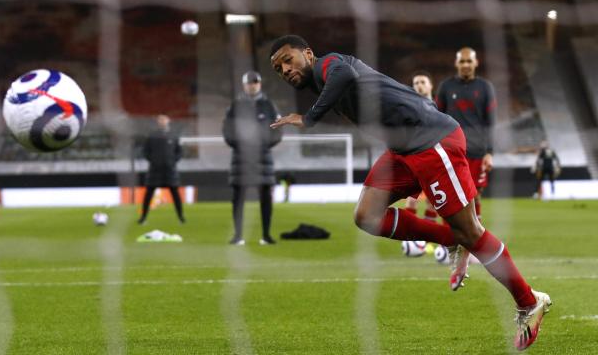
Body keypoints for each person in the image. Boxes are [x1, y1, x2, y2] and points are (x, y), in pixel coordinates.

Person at [269, 35, 550, 351]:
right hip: (402, 150)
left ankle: (529, 302)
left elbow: (344, 74)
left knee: (471, 231)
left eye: (287, 59)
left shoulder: (328, 65)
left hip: (432, 142)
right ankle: (451, 241)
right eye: (278, 69)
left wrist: (308, 119)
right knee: (367, 215)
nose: (284, 69)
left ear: (307, 53)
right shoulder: (324, 81)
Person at [435, 47, 497, 285]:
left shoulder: (485, 88)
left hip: (476, 152)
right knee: (449, 199)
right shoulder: (446, 87)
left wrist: (490, 153)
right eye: (462, 61)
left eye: (469, 61)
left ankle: (472, 247)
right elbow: (436, 116)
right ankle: (450, 245)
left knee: (474, 197)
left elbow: (490, 124)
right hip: (450, 151)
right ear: (456, 63)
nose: (465, 65)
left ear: (476, 62)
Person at [223, 70, 283, 245]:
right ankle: (238, 235)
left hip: (263, 158)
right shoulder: (235, 105)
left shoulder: (269, 105)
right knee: (238, 198)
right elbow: (227, 129)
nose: (252, 85)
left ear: (259, 84)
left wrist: (264, 145)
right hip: (240, 159)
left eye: (255, 82)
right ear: (244, 85)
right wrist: (239, 146)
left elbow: (278, 129)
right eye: (249, 83)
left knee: (266, 197)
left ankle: (266, 235)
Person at [138, 114, 185, 225]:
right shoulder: (152, 136)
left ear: (168, 121)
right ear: (157, 122)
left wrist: (172, 161)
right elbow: (145, 151)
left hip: (170, 170)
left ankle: (181, 217)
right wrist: (153, 161)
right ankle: (143, 217)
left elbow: (180, 152)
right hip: (155, 170)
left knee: (175, 193)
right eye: (160, 120)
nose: (162, 121)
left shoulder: (174, 136)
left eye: (164, 119)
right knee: (149, 194)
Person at [405, 71, 439, 223]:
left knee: (433, 203)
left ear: (431, 86)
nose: (419, 85)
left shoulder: (438, 109)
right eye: (416, 83)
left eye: (422, 82)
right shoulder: (409, 108)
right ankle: (410, 239)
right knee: (412, 200)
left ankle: (429, 239)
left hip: (433, 162)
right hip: (415, 161)